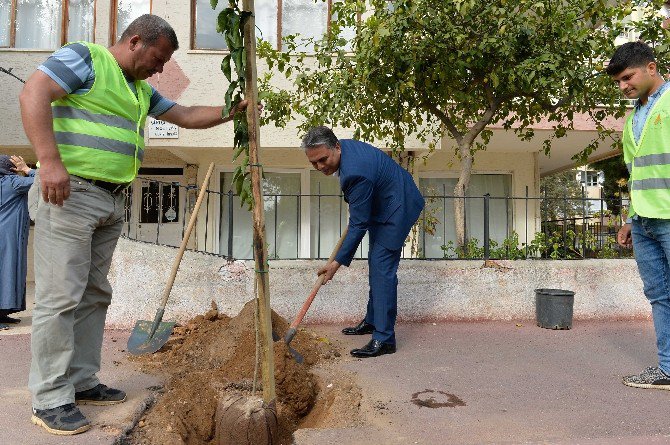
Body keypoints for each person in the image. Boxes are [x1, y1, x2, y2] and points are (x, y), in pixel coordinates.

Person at [19, 14, 251, 435]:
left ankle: (82, 381)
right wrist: (49, 161)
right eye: (158, 59)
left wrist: (233, 111)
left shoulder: (140, 89)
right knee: (60, 297)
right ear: (136, 41)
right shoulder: (84, 58)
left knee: (93, 293)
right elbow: (33, 91)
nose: (160, 69)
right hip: (70, 194)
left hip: (110, 199)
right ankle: (50, 398)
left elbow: (185, 115)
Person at [303, 126, 425, 359]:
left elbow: (359, 224)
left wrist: (335, 264)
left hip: (398, 207)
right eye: (313, 163)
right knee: (376, 263)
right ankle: (372, 320)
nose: (319, 167)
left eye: (322, 160)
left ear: (336, 147)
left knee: (382, 269)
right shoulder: (344, 150)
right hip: (384, 200)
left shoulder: (355, 173)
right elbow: (360, 214)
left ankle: (384, 338)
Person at [608, 41, 670, 391]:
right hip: (645, 221)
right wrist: (631, 218)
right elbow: (636, 173)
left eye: (627, 77)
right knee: (659, 295)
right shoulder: (632, 118)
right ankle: (668, 368)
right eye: (618, 81)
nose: (623, 86)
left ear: (651, 67)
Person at [0, 155, 35, 328]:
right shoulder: (13, 182)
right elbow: (44, 180)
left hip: (7, 235)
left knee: (6, 272)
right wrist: (27, 170)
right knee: (7, 271)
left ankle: (2, 313)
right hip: (8, 236)